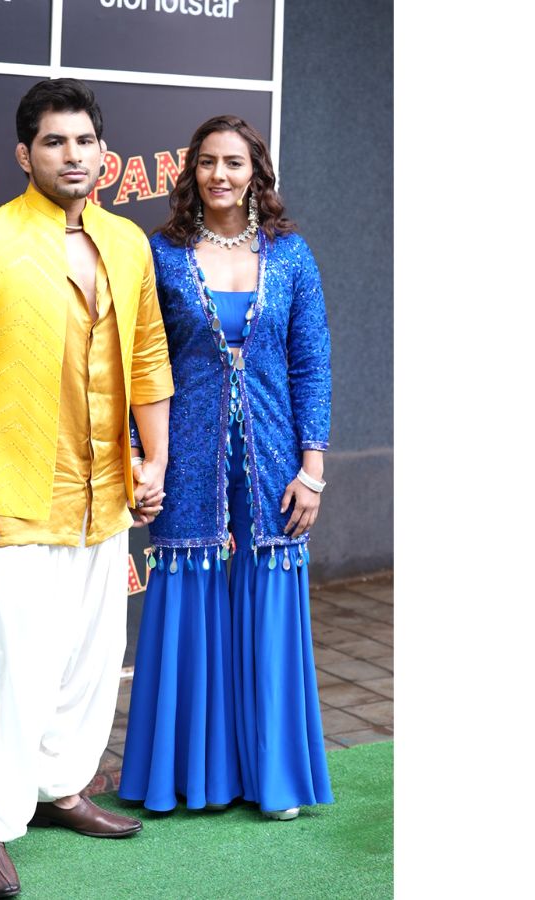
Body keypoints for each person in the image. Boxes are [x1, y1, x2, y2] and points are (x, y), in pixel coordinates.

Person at [0, 78, 173, 898]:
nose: (72, 155)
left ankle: (61, 788)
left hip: (103, 492)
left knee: (87, 660)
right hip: (12, 496)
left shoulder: (127, 243)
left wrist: (155, 463)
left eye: (84, 141)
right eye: (55, 142)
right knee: (0, 671)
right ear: (25, 155)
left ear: (105, 152)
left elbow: (149, 359)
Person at [119, 115, 333, 821]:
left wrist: (312, 469)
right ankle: (195, 776)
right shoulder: (162, 253)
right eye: (207, 162)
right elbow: (140, 363)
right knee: (191, 595)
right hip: (187, 455)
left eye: (234, 163)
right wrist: (140, 457)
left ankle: (274, 780)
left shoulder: (292, 255)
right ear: (192, 171)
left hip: (275, 457)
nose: (220, 175)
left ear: (256, 172)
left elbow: (312, 362)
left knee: (270, 599)